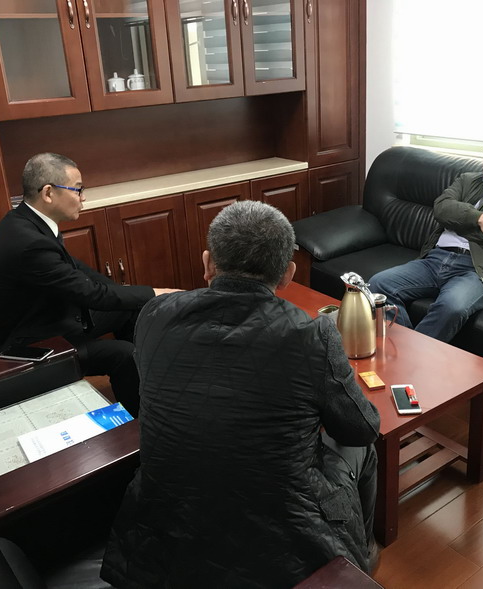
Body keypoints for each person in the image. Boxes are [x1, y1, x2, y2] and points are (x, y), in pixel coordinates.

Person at [100, 201, 381, 588]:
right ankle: (361, 555)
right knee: (363, 448)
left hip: (162, 527)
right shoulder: (312, 334)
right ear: (288, 274)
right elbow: (362, 428)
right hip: (286, 540)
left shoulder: (153, 315)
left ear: (207, 263)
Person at [0, 153, 176, 416]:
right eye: (78, 189)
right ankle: (141, 423)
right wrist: (155, 292)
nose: (83, 197)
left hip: (53, 319)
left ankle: (151, 391)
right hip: (32, 343)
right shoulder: (29, 242)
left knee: (131, 309)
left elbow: (77, 270)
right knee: (123, 354)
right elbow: (90, 294)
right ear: (48, 193)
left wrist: (122, 291)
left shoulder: (25, 221)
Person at [369, 124, 483, 342]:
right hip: (435, 259)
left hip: (480, 270)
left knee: (451, 306)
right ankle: (402, 349)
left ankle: (409, 357)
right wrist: (481, 219)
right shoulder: (467, 180)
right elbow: (441, 209)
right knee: (378, 285)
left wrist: (457, 220)